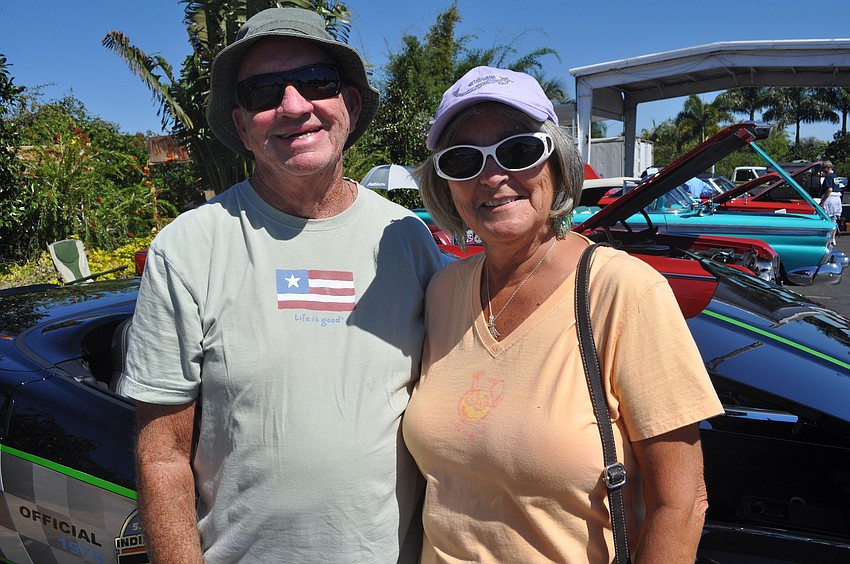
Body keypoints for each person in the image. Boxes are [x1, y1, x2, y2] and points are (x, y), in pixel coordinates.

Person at [122, 7, 442, 563]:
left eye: (317, 83)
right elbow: (162, 456)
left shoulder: (407, 240)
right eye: (265, 92)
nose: (294, 105)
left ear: (351, 104)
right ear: (243, 125)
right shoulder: (189, 248)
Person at [403, 66, 724, 563]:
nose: (492, 177)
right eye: (463, 161)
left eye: (518, 151)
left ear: (558, 164)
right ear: (446, 187)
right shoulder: (444, 291)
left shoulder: (623, 292)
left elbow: (680, 504)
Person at [819, 160, 842, 242]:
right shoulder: (835, 176)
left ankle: (827, 237)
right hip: (837, 199)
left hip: (830, 199)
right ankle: (833, 238)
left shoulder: (828, 177)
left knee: (827, 218)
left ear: (829, 167)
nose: (822, 170)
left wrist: (823, 201)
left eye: (824, 168)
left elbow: (829, 189)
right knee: (834, 218)